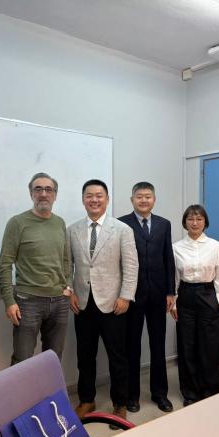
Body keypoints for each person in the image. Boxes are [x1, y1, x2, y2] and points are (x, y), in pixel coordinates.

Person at [67, 179, 138, 423]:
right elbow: (67, 265)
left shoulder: (122, 229)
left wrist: (125, 296)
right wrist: (69, 291)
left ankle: (120, 403)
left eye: (99, 195)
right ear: (83, 199)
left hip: (113, 303)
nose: (94, 199)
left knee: (117, 356)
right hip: (82, 303)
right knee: (85, 356)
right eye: (89, 195)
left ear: (107, 199)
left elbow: (131, 266)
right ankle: (87, 400)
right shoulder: (72, 230)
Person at [0, 172, 72, 365]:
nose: (43, 194)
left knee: (53, 359)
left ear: (55, 195)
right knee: (22, 361)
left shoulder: (59, 222)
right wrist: (9, 301)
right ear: (31, 193)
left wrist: (68, 286)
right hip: (28, 302)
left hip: (59, 302)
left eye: (48, 189)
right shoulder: (17, 223)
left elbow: (65, 259)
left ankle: (48, 388)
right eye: (38, 189)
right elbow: (5, 264)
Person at [171, 204, 219, 407]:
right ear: (185, 222)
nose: (195, 223)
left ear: (205, 222)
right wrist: (173, 303)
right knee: (187, 345)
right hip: (185, 296)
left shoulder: (216, 246)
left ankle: (211, 390)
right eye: (190, 219)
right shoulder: (176, 247)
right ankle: (190, 393)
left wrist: (217, 300)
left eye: (199, 219)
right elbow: (173, 278)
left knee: (209, 346)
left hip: (208, 295)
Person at [118, 182, 175, 413]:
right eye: (139, 196)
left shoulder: (164, 224)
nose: (143, 200)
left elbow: (168, 259)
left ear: (154, 199)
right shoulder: (121, 223)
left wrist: (171, 291)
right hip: (132, 295)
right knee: (131, 347)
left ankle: (160, 393)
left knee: (158, 345)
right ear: (132, 199)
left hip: (158, 295)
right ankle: (132, 396)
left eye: (148, 196)